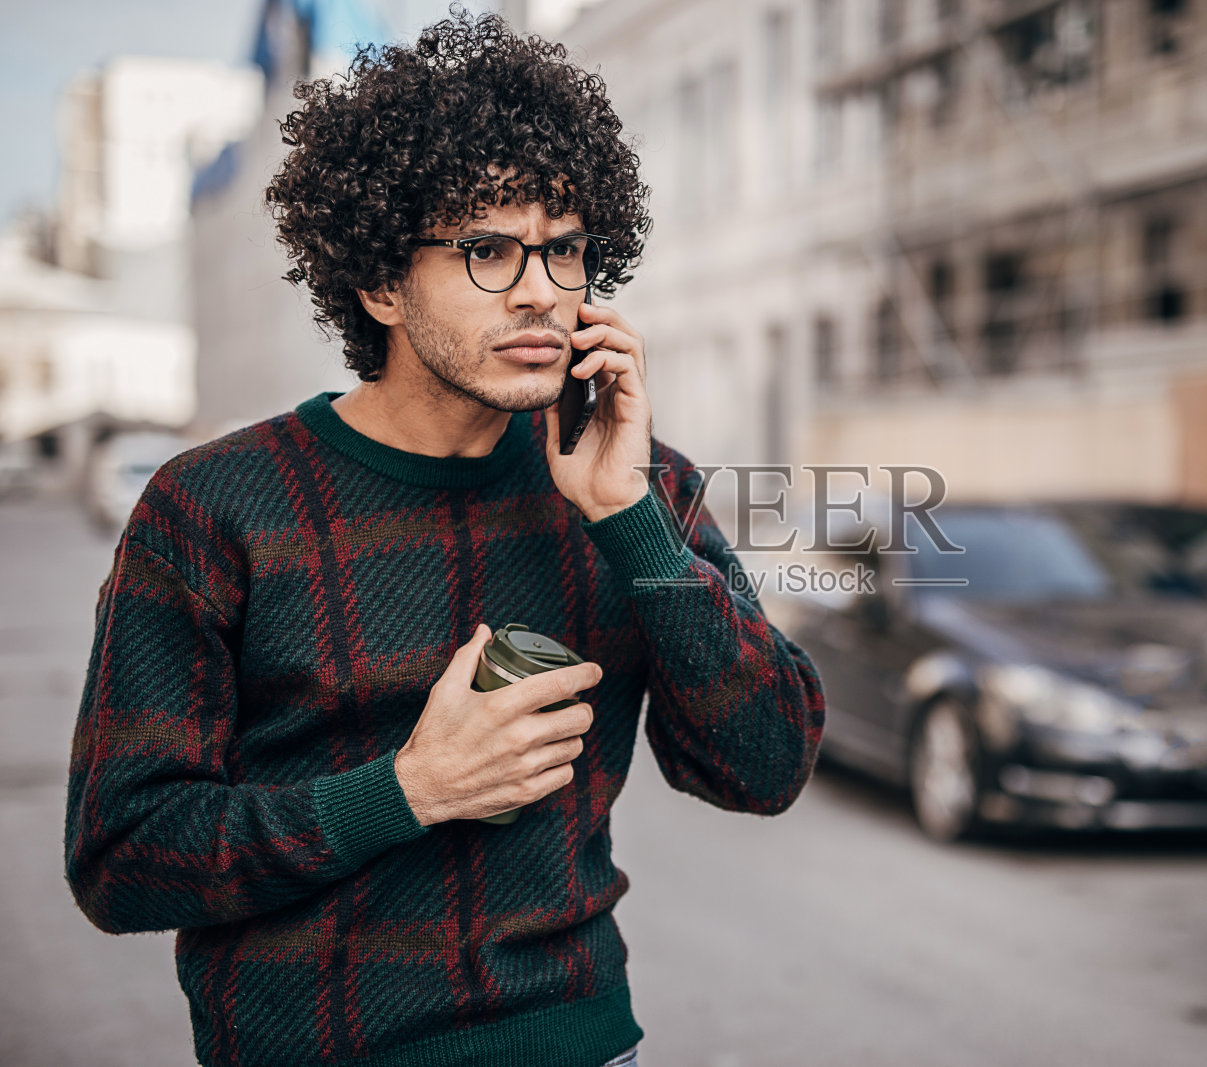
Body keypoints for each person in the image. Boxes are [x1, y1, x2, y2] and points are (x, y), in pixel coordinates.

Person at [63, 11, 825, 1067]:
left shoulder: (635, 483)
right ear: (378, 281)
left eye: (564, 249)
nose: (540, 290)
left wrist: (630, 523)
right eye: (485, 250)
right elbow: (123, 858)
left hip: (578, 1041)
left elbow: (765, 765)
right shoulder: (213, 506)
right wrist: (408, 791)